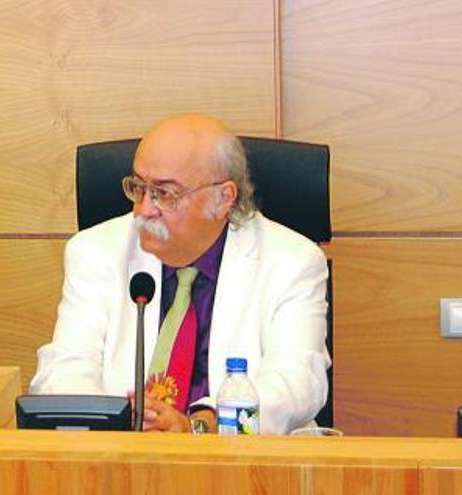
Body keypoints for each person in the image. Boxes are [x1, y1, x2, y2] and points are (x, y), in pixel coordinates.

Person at [31, 114, 331, 434]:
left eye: (165, 193)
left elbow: (297, 384)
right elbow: (64, 371)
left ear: (223, 198)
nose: (144, 209)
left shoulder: (292, 262)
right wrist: (113, 423)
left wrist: (200, 426)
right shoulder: (95, 251)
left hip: (240, 468)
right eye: (139, 188)